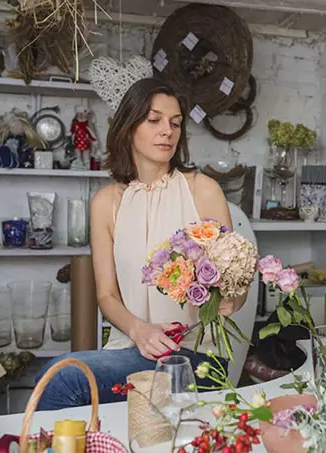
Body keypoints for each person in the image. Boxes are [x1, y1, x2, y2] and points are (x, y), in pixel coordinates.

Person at [35, 78, 248, 411]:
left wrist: (232, 299)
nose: (167, 131)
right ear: (128, 126)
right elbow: (106, 294)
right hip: (129, 348)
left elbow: (235, 276)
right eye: (154, 120)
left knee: (62, 377)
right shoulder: (106, 203)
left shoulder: (203, 191)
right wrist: (139, 330)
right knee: (62, 379)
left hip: (194, 355)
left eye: (175, 123)